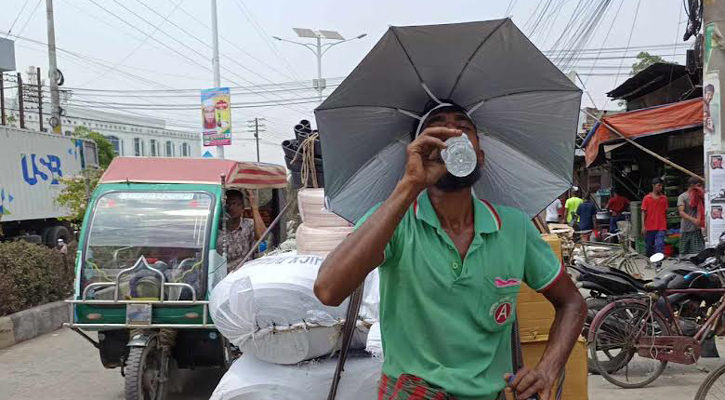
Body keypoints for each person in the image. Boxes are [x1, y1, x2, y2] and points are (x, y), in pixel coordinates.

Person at [313, 100, 586, 400]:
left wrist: (547, 370)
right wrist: (409, 185)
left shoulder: (514, 227)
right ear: (420, 150)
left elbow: (572, 302)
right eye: (438, 130)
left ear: (479, 156)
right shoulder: (395, 220)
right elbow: (329, 289)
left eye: (464, 128)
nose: (453, 134)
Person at [218, 189, 267, 270]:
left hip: (245, 274)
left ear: (242, 207)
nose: (230, 207)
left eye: (234, 203)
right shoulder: (216, 229)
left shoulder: (249, 225)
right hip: (222, 277)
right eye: (227, 204)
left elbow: (262, 236)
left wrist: (254, 207)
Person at [642, 178, 668, 269]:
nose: (660, 187)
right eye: (658, 185)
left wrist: (665, 225)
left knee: (659, 244)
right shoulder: (647, 198)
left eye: (661, 186)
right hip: (649, 226)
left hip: (661, 226)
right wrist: (643, 226)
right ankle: (649, 262)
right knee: (649, 246)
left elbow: (665, 212)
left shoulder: (664, 198)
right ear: (653, 186)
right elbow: (643, 212)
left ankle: (658, 263)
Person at [678, 177, 705, 256]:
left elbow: (700, 209)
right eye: (698, 185)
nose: (700, 188)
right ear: (692, 185)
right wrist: (693, 219)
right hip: (686, 229)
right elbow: (681, 212)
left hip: (696, 229)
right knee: (684, 254)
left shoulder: (699, 196)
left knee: (698, 254)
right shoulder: (682, 197)